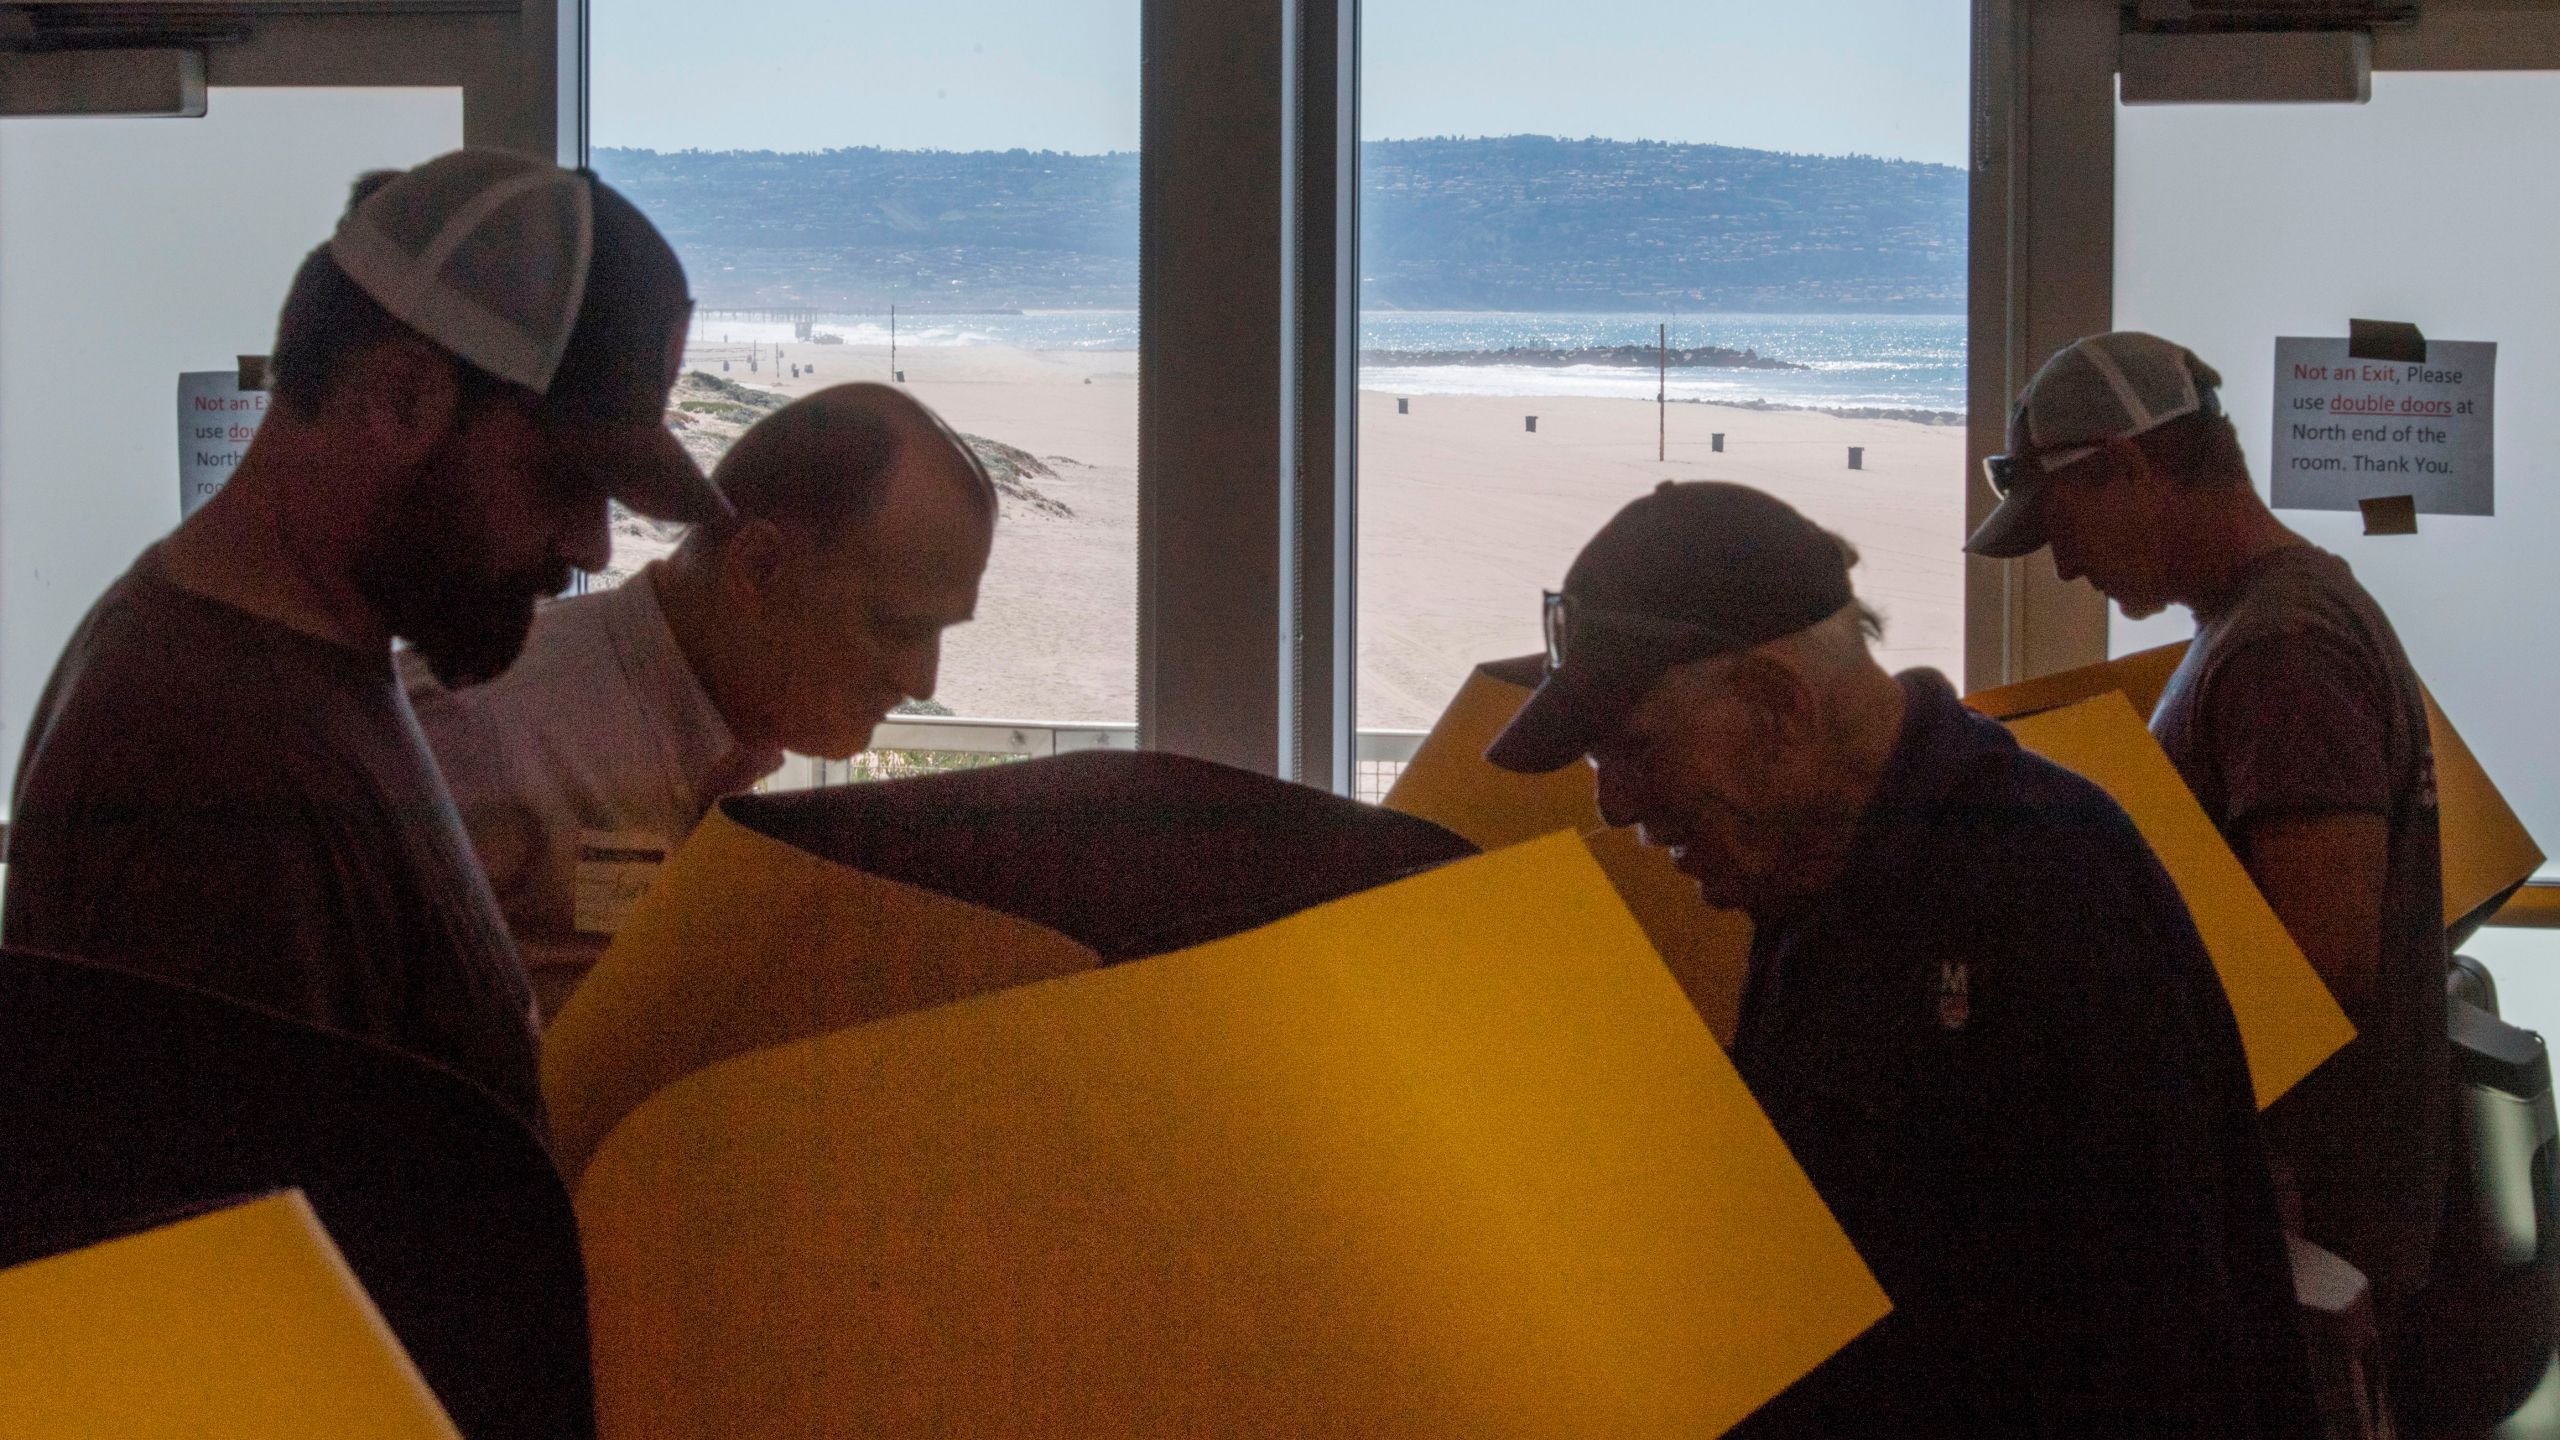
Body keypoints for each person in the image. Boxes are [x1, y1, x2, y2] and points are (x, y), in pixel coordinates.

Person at [1487, 481, 2315, 1438]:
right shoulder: (1818, 869)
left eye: (1632, 747)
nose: (1615, 804)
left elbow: (2159, 1348)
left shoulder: (2044, 882)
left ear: (1776, 707)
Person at [1, 150, 726, 1127]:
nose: (588, 544)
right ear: (402, 400)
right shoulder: (213, 766)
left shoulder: (284, 678)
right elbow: (251, 1260)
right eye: (561, 478)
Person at [1967, 332, 2449, 1356]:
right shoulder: (2266, 620)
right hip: (2310, 1207)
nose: (2060, 562)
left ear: (2128, 465)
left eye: (2061, 522)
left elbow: (2319, 966)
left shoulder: (2283, 648)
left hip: (2306, 1218)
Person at [402, 383, 997, 1015]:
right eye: (898, 628)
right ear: (758, 567)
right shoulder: (482, 734)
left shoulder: (721, 744)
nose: (922, 681)